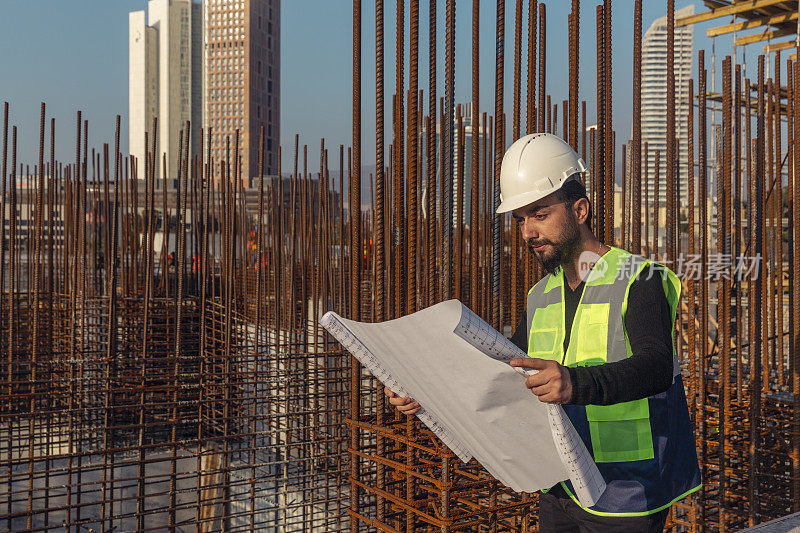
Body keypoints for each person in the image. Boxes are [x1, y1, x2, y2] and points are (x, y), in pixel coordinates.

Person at [385, 133, 701, 532]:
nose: (527, 232)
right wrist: (426, 392)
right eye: (520, 220)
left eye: (539, 214)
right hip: (561, 484)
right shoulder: (541, 295)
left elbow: (656, 366)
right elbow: (502, 372)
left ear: (580, 209)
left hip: (628, 490)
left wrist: (573, 383)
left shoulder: (639, 277)